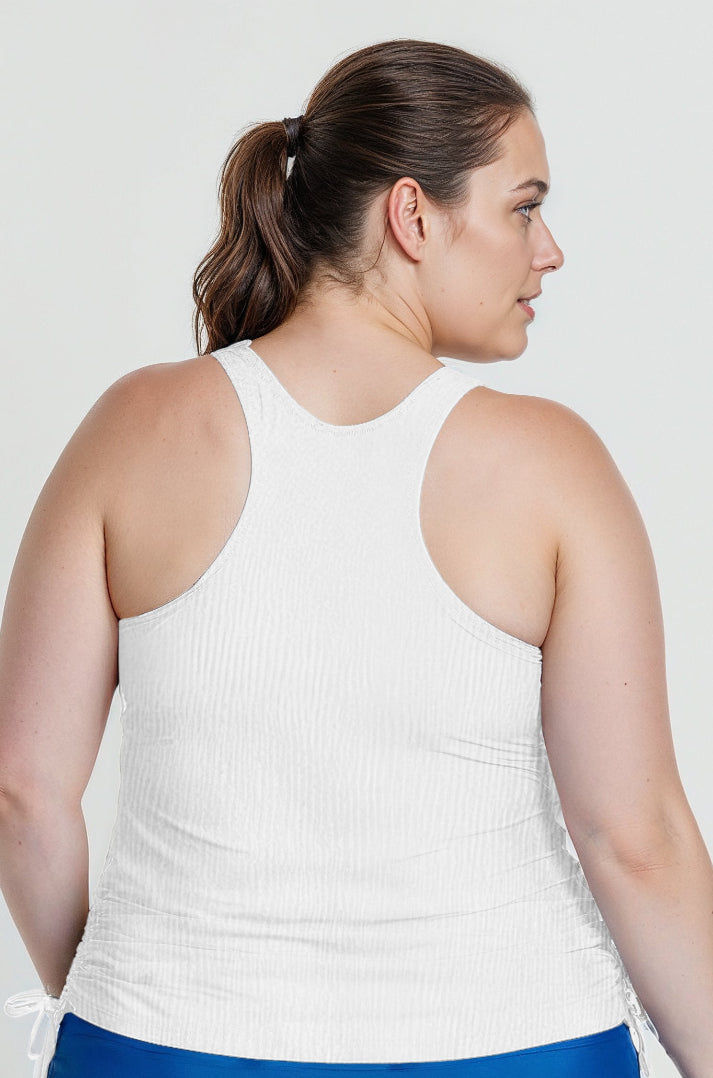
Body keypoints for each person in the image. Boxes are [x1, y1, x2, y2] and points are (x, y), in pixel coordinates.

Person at [1, 36, 709, 1078]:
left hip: (163, 1044)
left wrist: (126, 997)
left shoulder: (134, 429)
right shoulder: (550, 464)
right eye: (522, 208)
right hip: (509, 1044)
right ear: (412, 215)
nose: (548, 250)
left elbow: (21, 787)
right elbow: (632, 835)